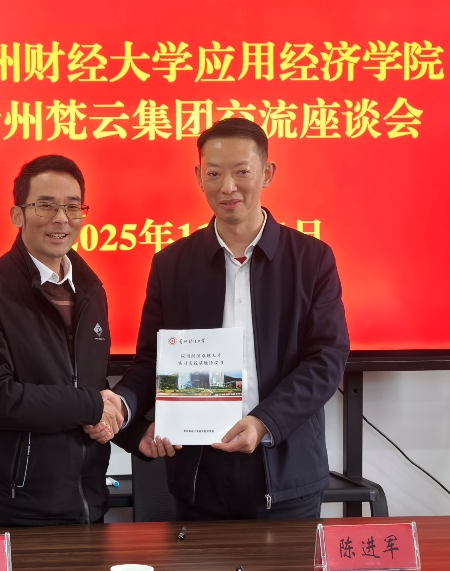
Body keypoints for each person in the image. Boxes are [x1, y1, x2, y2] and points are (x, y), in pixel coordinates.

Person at [107, 118, 350, 520]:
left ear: (267, 174)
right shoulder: (172, 264)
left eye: (242, 172)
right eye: (215, 174)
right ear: (198, 176)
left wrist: (264, 422)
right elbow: (152, 362)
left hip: (285, 470)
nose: (228, 187)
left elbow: (326, 360)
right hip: (200, 475)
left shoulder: (310, 260)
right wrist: (124, 406)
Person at [0, 154, 140, 526]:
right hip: (14, 512)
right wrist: (90, 405)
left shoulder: (91, 290)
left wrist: (131, 433)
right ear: (17, 215)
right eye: (46, 205)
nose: (61, 219)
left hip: (88, 506)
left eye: (73, 206)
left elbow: (90, 385)